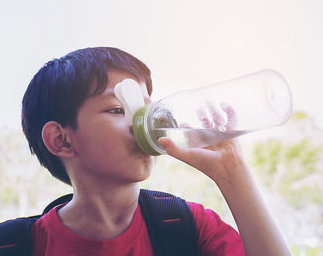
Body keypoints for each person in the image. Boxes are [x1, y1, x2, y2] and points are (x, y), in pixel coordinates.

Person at [21, 47, 290, 255]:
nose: (147, 122)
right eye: (118, 109)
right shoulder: (19, 246)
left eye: (147, 109)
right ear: (61, 140)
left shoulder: (189, 226)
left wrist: (233, 171)